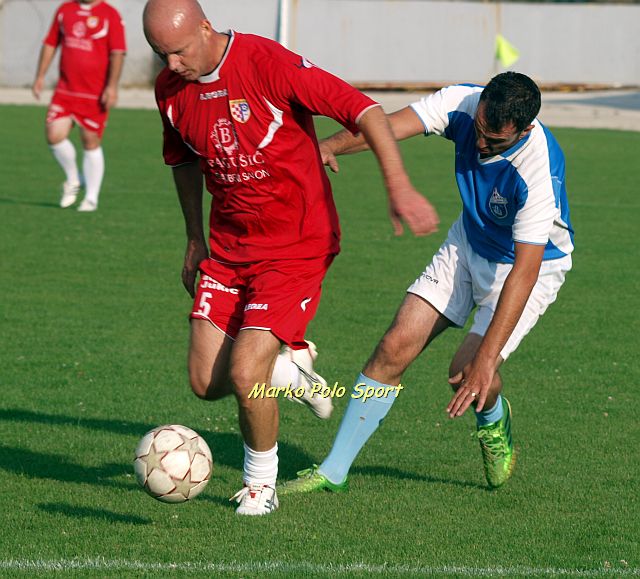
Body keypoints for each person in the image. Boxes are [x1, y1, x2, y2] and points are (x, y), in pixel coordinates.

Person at [142, 0, 439, 516]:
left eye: (179, 51)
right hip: (231, 249)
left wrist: (399, 185)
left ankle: (261, 487)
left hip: (296, 245)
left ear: (205, 29)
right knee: (205, 383)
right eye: (160, 54)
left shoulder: (266, 64)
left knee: (245, 371)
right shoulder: (170, 89)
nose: (171, 65)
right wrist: (194, 237)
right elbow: (183, 161)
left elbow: (364, 110)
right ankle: (291, 373)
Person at [281, 72, 574, 494]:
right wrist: (328, 145)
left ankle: (494, 420)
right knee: (395, 344)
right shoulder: (463, 102)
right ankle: (334, 470)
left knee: (468, 371)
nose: (479, 145)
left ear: (525, 129)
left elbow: (525, 271)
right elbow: (386, 126)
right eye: (479, 131)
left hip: (528, 268)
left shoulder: (538, 172)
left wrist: (487, 359)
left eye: (495, 142)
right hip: (469, 240)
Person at [32, 0, 126, 212]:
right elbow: (50, 43)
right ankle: (74, 179)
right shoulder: (65, 10)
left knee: (90, 141)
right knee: (54, 135)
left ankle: (91, 198)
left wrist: (112, 87)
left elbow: (118, 53)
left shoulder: (110, 15)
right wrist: (40, 76)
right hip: (65, 91)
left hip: (94, 94)